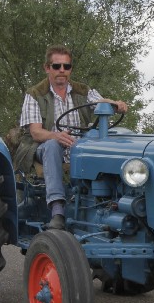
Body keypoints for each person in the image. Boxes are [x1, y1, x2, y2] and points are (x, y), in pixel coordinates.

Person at [15, 46, 127, 230]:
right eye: (56, 66)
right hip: (42, 148)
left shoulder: (82, 91)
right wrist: (56, 136)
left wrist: (114, 104)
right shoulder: (35, 94)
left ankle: (111, 205)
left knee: (113, 139)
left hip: (77, 147)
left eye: (66, 66)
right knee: (52, 145)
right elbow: (36, 132)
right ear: (47, 68)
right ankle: (57, 210)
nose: (62, 70)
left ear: (70, 69)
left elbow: (100, 102)